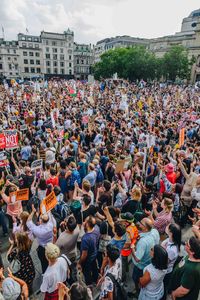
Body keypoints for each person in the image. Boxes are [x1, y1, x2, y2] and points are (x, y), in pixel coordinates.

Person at [131, 218, 157, 296]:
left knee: (136, 279)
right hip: (148, 263)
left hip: (140, 267)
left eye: (141, 223)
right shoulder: (152, 233)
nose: (139, 223)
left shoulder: (143, 242)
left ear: (145, 228)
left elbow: (137, 259)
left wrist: (132, 248)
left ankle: (137, 292)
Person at [26, 205, 56, 273]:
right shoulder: (51, 224)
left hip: (43, 248)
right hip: (51, 245)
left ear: (41, 221)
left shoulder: (38, 231)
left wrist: (33, 212)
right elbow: (48, 215)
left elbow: (28, 222)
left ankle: (45, 273)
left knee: (44, 263)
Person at [56, 216, 80, 283]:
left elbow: (56, 248)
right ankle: (75, 281)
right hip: (73, 253)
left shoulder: (62, 237)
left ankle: (70, 281)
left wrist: (55, 235)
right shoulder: (77, 229)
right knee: (74, 269)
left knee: (67, 271)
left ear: (66, 226)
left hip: (66, 257)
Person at [161, 223, 182, 299]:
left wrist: (162, 249)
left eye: (168, 227)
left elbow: (165, 263)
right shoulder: (170, 240)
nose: (166, 227)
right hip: (165, 270)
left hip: (165, 272)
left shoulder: (172, 250)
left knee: (163, 288)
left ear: (171, 233)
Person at [78, 216, 100, 285]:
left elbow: (84, 254)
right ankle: (96, 279)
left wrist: (80, 263)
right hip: (94, 253)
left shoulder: (85, 238)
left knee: (87, 272)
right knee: (94, 267)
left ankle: (89, 285)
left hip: (87, 259)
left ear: (87, 224)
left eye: (85, 221)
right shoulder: (96, 228)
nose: (83, 222)